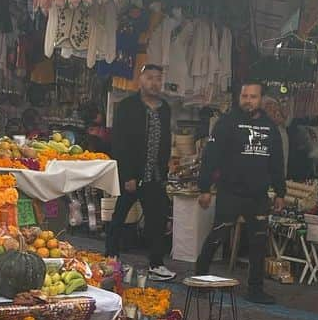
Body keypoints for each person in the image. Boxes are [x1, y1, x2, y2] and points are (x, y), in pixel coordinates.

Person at [196, 81, 286, 304]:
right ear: (239, 97)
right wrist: (204, 188)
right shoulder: (226, 123)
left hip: (258, 196)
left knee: (258, 243)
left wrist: (280, 192)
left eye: (253, 96)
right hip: (230, 192)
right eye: (244, 95)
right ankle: (199, 280)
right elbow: (211, 156)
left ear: (261, 100)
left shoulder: (270, 127)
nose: (248, 100)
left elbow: (276, 162)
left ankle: (255, 289)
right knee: (217, 236)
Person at [107, 63, 175, 281]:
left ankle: (156, 264)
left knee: (157, 218)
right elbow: (120, 142)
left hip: (154, 174)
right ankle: (111, 256)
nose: (154, 83)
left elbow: (166, 141)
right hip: (132, 173)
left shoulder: (165, 108)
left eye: (158, 79)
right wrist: (127, 174)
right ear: (140, 80)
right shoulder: (127, 106)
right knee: (120, 215)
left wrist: (164, 170)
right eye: (150, 78)